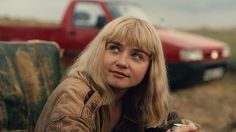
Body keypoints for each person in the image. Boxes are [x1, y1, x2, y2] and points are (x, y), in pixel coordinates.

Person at [34, 16, 199, 132]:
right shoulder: (74, 98)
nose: (122, 62)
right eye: (114, 48)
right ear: (100, 51)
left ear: (150, 66)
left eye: (136, 55)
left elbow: (165, 120)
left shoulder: (137, 94)